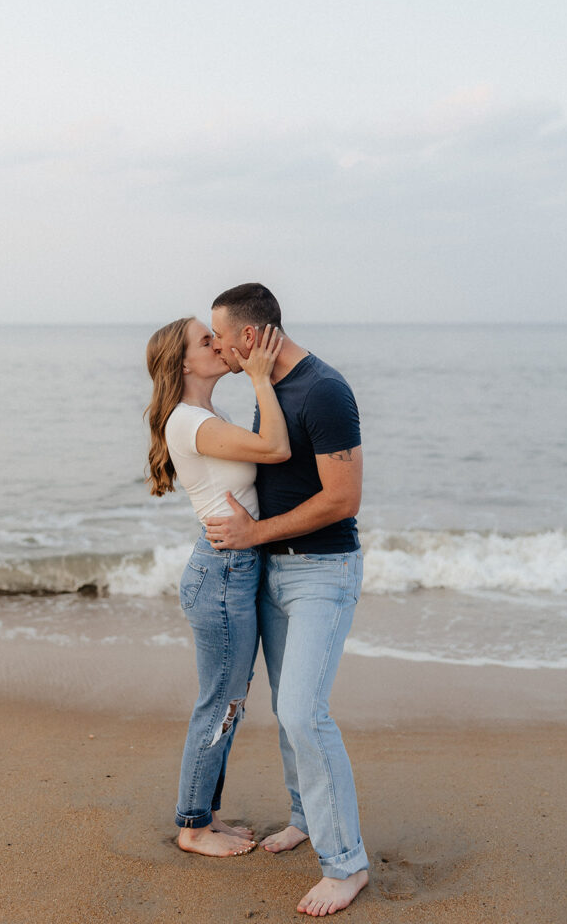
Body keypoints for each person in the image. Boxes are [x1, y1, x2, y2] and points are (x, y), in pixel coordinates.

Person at [205, 284, 369, 917]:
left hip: (322, 573)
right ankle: (305, 815)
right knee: (285, 706)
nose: (215, 344)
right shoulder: (267, 385)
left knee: (304, 712)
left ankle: (346, 864)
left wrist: (253, 533)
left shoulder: (324, 389)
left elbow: (342, 499)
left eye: (220, 334)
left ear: (250, 337)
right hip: (274, 573)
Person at [145, 316, 289, 859]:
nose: (220, 345)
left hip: (231, 569)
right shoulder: (189, 421)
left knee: (231, 702)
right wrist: (259, 376)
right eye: (207, 341)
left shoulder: (204, 415)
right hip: (221, 575)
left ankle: (207, 815)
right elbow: (274, 448)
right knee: (221, 705)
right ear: (184, 363)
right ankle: (192, 826)